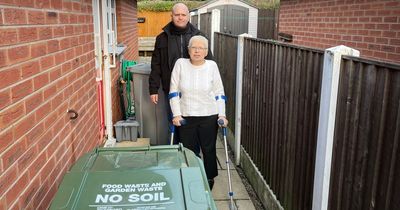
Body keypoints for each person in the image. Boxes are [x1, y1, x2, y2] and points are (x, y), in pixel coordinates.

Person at [169, 35, 228, 190]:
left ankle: (209, 177)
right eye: (194, 47)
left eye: (201, 48)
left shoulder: (212, 66)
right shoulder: (180, 64)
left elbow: (219, 92)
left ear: (206, 51)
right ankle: (192, 175)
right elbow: (173, 91)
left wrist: (222, 115)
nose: (197, 51)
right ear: (188, 50)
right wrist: (176, 114)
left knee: (208, 149)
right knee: (188, 150)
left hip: (209, 114)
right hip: (186, 115)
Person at [149, 3, 213, 144]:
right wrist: (153, 88)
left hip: (194, 90)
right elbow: (156, 64)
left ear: (188, 16)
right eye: (177, 15)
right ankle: (176, 152)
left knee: (191, 125)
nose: (180, 18)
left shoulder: (199, 36)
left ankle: (191, 154)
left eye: (183, 15)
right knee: (174, 121)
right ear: (171, 16)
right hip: (171, 89)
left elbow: (210, 63)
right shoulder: (162, 38)